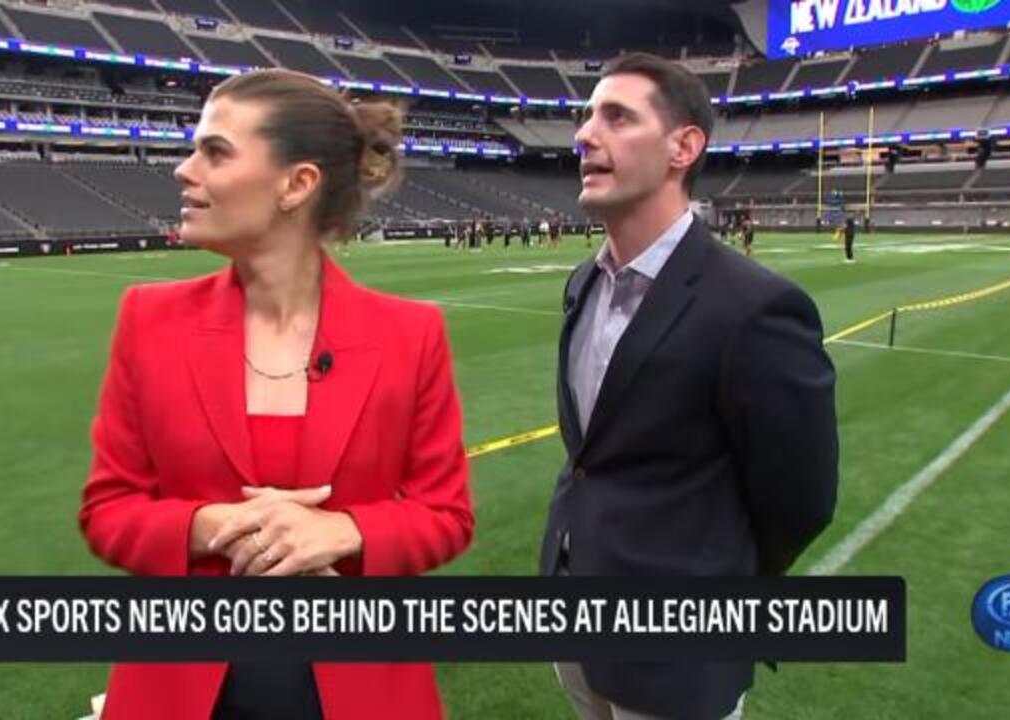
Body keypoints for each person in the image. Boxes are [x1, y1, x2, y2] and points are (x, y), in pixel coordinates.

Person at [80, 69, 475, 720]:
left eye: (215, 152)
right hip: (178, 690)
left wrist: (342, 531)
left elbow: (447, 515)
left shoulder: (411, 334)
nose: (183, 170)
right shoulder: (148, 320)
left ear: (296, 184)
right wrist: (216, 526)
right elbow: (108, 510)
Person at [542, 53, 838, 720]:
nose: (586, 134)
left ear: (684, 146)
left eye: (616, 116)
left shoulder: (756, 306)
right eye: (586, 116)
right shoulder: (583, 284)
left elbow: (802, 499)